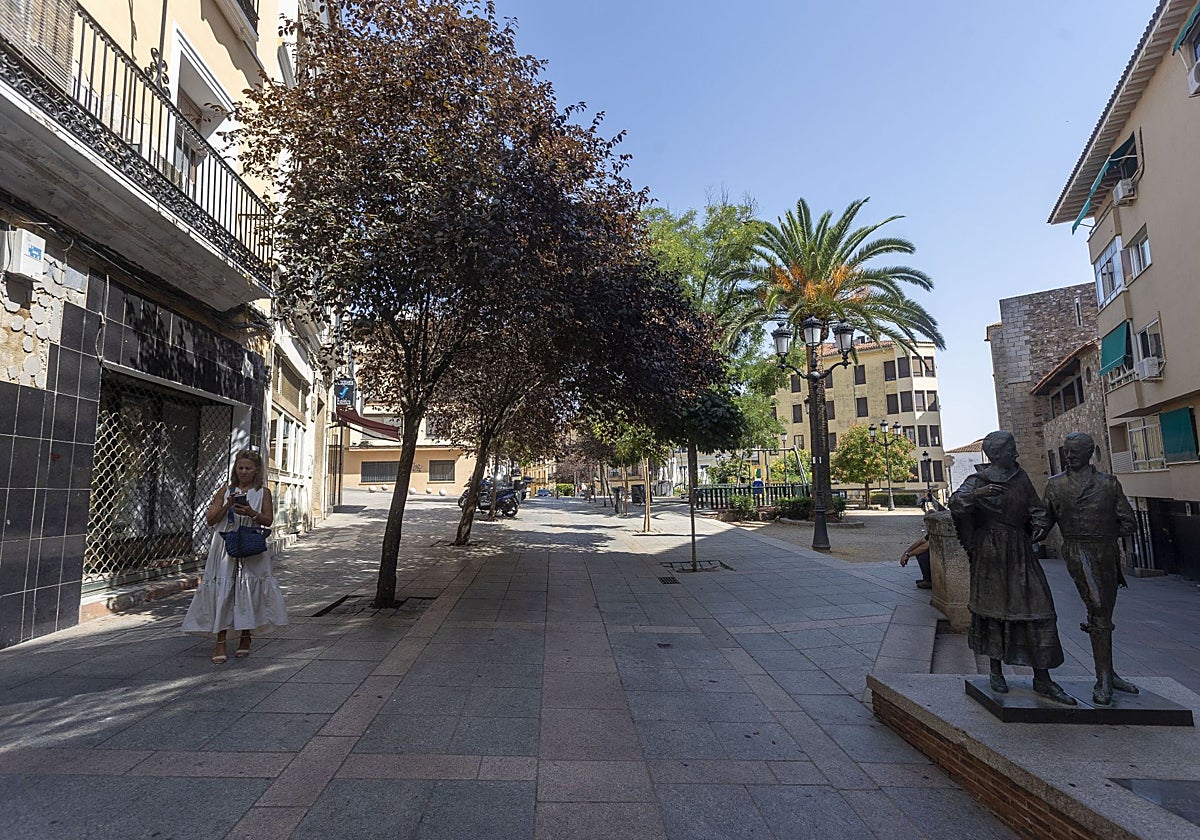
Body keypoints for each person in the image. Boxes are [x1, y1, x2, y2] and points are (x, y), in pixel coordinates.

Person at [949, 430, 1075, 705]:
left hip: (1019, 551)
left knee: (1037, 607)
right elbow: (956, 504)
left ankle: (1042, 678)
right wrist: (979, 493)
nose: (1015, 454)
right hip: (991, 553)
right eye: (1010, 450)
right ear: (996, 454)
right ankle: (996, 671)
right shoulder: (976, 480)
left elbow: (1036, 509)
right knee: (994, 610)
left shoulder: (1020, 478)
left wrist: (1041, 525)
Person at [1037, 432, 1139, 706]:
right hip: (1077, 551)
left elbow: (1129, 521)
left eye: (1075, 451)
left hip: (1105, 552)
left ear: (1089, 453)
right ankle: (1104, 679)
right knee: (1097, 606)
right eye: (1067, 451)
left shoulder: (1108, 484)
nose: (1069, 456)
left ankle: (1108, 673)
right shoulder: (1055, 485)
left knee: (1103, 612)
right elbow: (1044, 523)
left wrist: (1105, 532)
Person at [182, 449, 288, 663]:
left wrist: (250, 512)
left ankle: (245, 637)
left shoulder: (264, 492)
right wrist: (228, 505)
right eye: (240, 468)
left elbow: (268, 521)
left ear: (256, 469)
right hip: (225, 545)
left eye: (248, 468)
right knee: (224, 589)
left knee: (248, 589)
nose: (244, 472)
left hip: (251, 546)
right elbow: (210, 520)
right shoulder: (225, 491)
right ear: (235, 469)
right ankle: (220, 641)